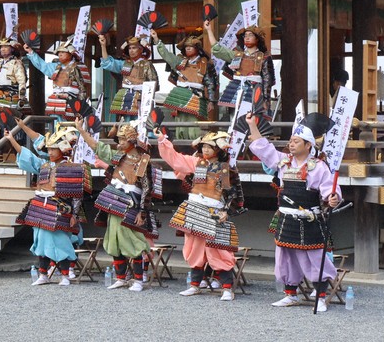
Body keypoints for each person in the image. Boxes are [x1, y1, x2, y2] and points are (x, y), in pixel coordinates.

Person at [246, 112, 342, 313]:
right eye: (291, 141)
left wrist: (333, 197)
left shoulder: (319, 167)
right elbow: (264, 149)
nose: (291, 144)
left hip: (309, 218)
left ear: (308, 145)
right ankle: (290, 295)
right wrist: (252, 125)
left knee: (315, 257)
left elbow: (329, 190)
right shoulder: (283, 162)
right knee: (286, 257)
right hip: (286, 218)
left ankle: (321, 297)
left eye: (296, 141)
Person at [157, 129, 245, 301]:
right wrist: (162, 140)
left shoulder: (225, 169)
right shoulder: (196, 163)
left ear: (218, 149)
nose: (205, 150)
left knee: (218, 248)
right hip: (195, 209)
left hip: (214, 211)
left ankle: (227, 288)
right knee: (194, 248)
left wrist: (226, 211)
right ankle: (195, 285)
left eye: (209, 147)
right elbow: (176, 159)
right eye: (203, 146)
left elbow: (231, 192)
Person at [78, 119, 158, 291]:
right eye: (119, 140)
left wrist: (142, 212)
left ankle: (138, 280)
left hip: (131, 205)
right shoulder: (118, 157)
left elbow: (146, 188)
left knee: (133, 242)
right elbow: (98, 147)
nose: (120, 143)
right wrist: (82, 132)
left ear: (132, 141)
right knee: (113, 241)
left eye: (123, 140)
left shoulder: (143, 161)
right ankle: (121, 277)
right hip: (114, 202)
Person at [6, 125, 84, 286]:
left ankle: (65, 276)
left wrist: (74, 216)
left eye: (53, 149)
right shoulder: (44, 165)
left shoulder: (71, 168)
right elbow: (25, 154)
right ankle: (43, 274)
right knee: (40, 241)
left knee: (60, 242)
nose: (49, 153)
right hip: (41, 206)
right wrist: (11, 139)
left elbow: (76, 196)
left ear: (62, 150)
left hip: (60, 208)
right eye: (48, 150)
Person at [151, 30, 219, 140]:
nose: (188, 48)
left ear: (197, 48)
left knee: (194, 127)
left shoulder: (204, 64)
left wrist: (211, 101)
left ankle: (195, 148)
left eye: (191, 46)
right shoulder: (179, 61)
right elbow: (167, 55)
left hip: (196, 96)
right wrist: (156, 40)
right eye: (186, 46)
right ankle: (181, 148)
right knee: (180, 125)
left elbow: (211, 83)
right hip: (180, 96)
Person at [204, 19, 275, 117]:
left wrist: (266, 99)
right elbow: (218, 49)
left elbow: (268, 80)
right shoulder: (237, 55)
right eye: (245, 35)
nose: (247, 37)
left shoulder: (264, 57)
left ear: (257, 38)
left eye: (250, 35)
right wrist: (209, 30)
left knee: (252, 120)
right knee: (235, 120)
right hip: (236, 89)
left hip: (254, 91)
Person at [24, 38, 90, 120]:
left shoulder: (79, 67)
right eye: (59, 53)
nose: (60, 54)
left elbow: (83, 87)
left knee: (72, 128)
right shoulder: (56, 67)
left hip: (73, 101)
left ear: (70, 54)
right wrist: (30, 52)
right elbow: (42, 65)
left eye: (63, 52)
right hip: (55, 101)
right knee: (56, 127)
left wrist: (81, 103)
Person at [98, 34, 158, 119]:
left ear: (141, 50)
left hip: (141, 97)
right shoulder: (125, 63)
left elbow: (154, 85)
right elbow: (108, 63)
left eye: (134, 48)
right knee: (125, 125)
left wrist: (146, 98)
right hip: (125, 96)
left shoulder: (147, 64)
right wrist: (103, 46)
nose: (131, 51)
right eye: (129, 48)